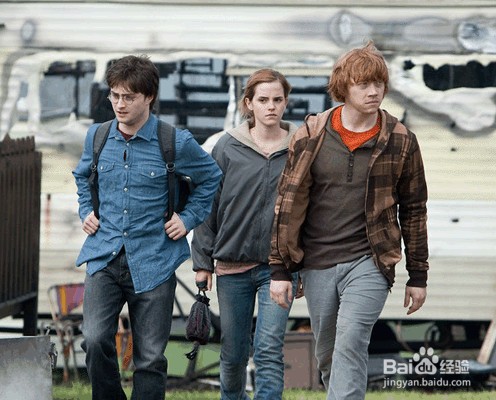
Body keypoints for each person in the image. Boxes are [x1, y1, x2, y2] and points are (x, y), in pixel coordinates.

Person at [269, 41, 429, 399]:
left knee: (352, 339)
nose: (374, 92)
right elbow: (286, 202)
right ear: (344, 87)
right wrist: (280, 268)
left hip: (370, 260)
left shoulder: (401, 140)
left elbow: (415, 209)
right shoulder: (311, 135)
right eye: (364, 84)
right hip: (318, 261)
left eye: (379, 83)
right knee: (328, 353)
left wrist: (418, 274)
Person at [72, 54, 222, 400]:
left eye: (129, 97)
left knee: (151, 357)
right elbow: (82, 177)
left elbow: (211, 177)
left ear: (149, 97)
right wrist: (86, 210)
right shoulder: (97, 136)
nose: (119, 104)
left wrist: (187, 219)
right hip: (104, 256)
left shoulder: (175, 141)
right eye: (114, 95)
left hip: (154, 260)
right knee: (94, 339)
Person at [191, 68, 298, 400]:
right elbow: (209, 203)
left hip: (279, 269)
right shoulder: (227, 146)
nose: (271, 107)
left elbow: (311, 208)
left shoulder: (301, 147)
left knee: (268, 349)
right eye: (263, 100)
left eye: (277, 100)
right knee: (233, 352)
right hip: (232, 265)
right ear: (249, 103)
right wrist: (202, 262)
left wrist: (304, 263)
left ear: (286, 102)